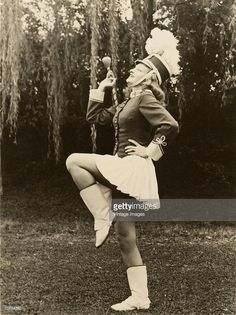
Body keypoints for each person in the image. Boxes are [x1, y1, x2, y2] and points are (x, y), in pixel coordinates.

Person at [66, 28, 180, 311]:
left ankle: (102, 213)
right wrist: (103, 89)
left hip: (131, 168)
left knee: (74, 161)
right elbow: (93, 117)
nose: (131, 69)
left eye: (138, 67)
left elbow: (170, 125)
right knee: (125, 237)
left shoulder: (145, 98)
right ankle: (140, 298)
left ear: (149, 76)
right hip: (123, 170)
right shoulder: (126, 102)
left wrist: (150, 151)